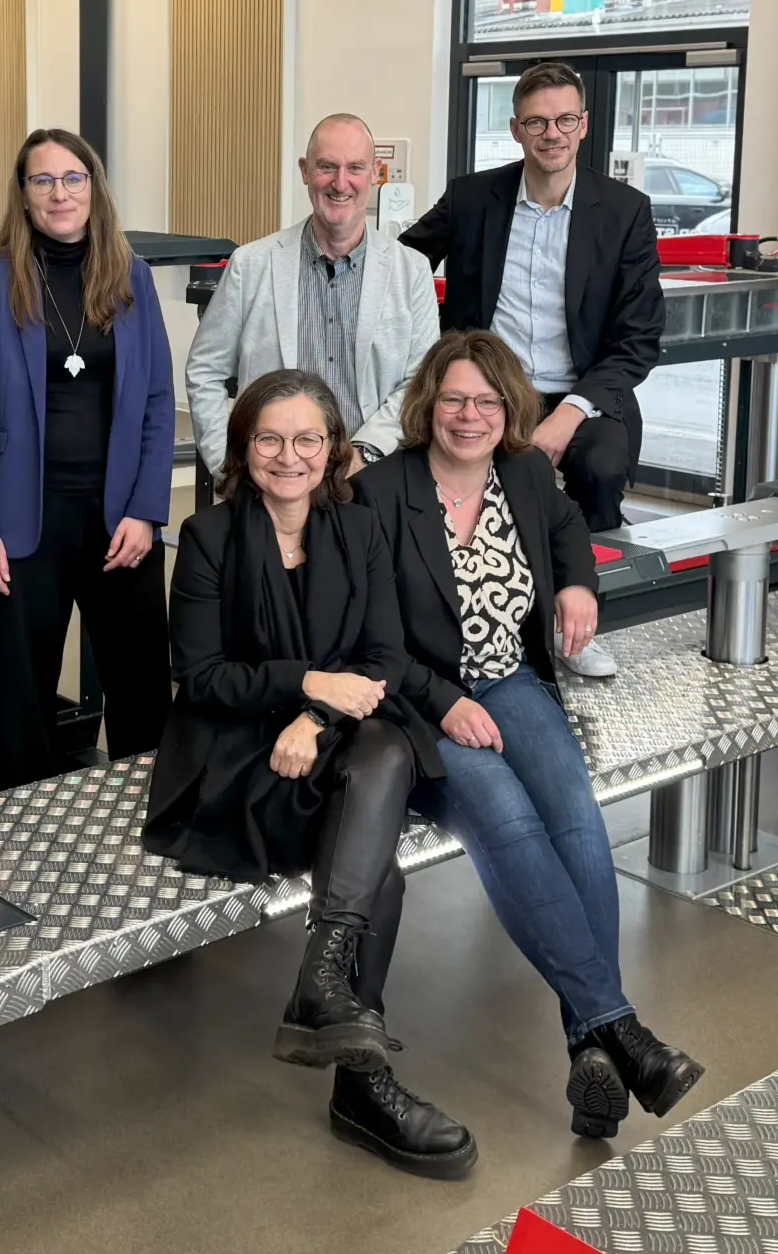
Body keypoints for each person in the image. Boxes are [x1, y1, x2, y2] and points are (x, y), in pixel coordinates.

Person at [353, 332, 704, 1140]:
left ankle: (594, 1044)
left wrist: (578, 584)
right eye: (453, 398)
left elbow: (569, 525)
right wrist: (442, 702)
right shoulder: (380, 492)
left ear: (509, 407)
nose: (469, 415)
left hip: (509, 680)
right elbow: (368, 637)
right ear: (427, 404)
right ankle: (620, 1031)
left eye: (486, 400)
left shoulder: (523, 474)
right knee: (507, 819)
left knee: (576, 816)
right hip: (419, 703)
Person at [144, 369, 475, 1180]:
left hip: (332, 740)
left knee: (386, 749)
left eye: (306, 439)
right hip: (240, 759)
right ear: (242, 448)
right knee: (378, 861)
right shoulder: (209, 537)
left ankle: (326, 987)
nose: (287, 456)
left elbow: (384, 655)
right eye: (269, 438)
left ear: (332, 450)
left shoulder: (359, 529)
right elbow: (202, 677)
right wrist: (309, 683)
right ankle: (357, 1074)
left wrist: (317, 714)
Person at [401, 63, 662, 678]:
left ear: (584, 125)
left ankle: (580, 621)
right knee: (440, 469)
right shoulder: (472, 199)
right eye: (538, 122)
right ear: (517, 129)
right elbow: (402, 263)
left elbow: (638, 339)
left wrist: (568, 415)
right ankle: (462, 617)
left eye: (565, 120)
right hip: (487, 388)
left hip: (581, 394)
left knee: (599, 467)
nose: (553, 134)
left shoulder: (623, 211)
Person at [0, 128, 174, 783]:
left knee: (141, 690)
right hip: (20, 524)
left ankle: (145, 814)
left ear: (93, 188)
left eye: (73, 178)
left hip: (119, 521)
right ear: (23, 195)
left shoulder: (131, 277)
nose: (59, 193)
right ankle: (30, 828)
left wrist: (146, 511)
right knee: (24, 701)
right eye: (42, 180)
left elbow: (158, 400)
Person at [185, 113, 439, 476]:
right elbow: (205, 371)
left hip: (372, 478)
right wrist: (226, 465)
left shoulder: (411, 271)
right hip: (274, 480)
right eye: (327, 167)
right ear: (305, 171)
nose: (341, 182)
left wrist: (362, 456)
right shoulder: (251, 265)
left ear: (374, 173)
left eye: (355, 167)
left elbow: (420, 382)